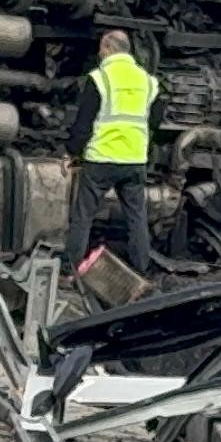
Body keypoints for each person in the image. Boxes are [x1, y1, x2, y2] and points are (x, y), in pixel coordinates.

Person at [61, 27, 156, 276]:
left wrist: (72, 152)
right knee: (136, 217)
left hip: (101, 159)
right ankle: (141, 269)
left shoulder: (100, 78)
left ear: (107, 49)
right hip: (135, 159)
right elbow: (155, 118)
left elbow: (83, 124)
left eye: (101, 48)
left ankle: (70, 268)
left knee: (83, 216)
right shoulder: (147, 80)